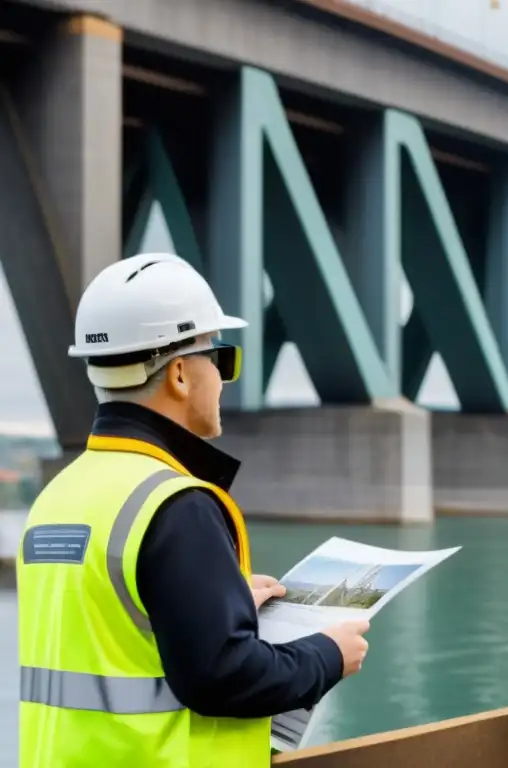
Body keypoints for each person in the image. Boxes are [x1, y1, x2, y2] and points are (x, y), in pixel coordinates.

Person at [17, 253, 371, 767]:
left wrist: (221, 603)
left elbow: (111, 633)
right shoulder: (174, 503)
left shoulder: (59, 496)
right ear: (180, 374)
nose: (224, 379)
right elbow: (222, 675)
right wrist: (327, 655)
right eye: (221, 358)